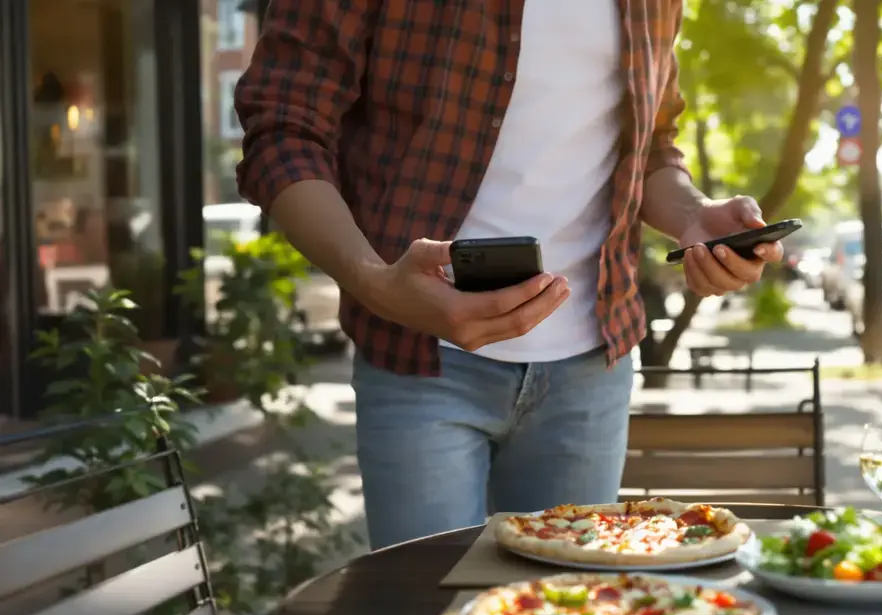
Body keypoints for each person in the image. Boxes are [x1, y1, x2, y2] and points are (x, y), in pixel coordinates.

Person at [234, 0, 784, 550]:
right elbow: (283, 128)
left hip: (591, 368)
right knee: (427, 612)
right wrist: (374, 281)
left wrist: (692, 215)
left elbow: (650, 143)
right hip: (419, 355)